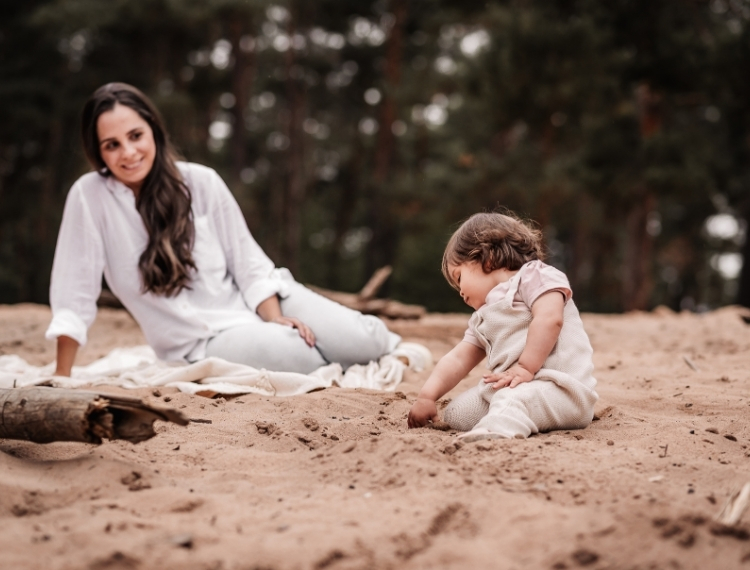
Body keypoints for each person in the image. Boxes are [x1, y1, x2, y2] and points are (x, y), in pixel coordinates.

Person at [46, 82, 401, 377]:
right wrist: (62, 376)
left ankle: (371, 347)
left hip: (264, 297)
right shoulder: (89, 197)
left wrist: (275, 318)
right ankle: (317, 354)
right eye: (112, 145)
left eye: (136, 135)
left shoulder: (201, 182)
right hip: (203, 339)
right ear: (99, 152)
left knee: (366, 341)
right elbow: (74, 292)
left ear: (153, 129)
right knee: (301, 357)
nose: (128, 153)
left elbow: (247, 263)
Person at [407, 212, 598, 441]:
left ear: (485, 257)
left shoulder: (535, 276)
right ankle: (516, 416)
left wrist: (526, 367)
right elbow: (459, 359)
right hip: (518, 387)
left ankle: (497, 430)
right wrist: (427, 396)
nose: (460, 292)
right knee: (458, 413)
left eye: (459, 278)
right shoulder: (484, 316)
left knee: (511, 398)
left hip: (562, 390)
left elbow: (549, 319)